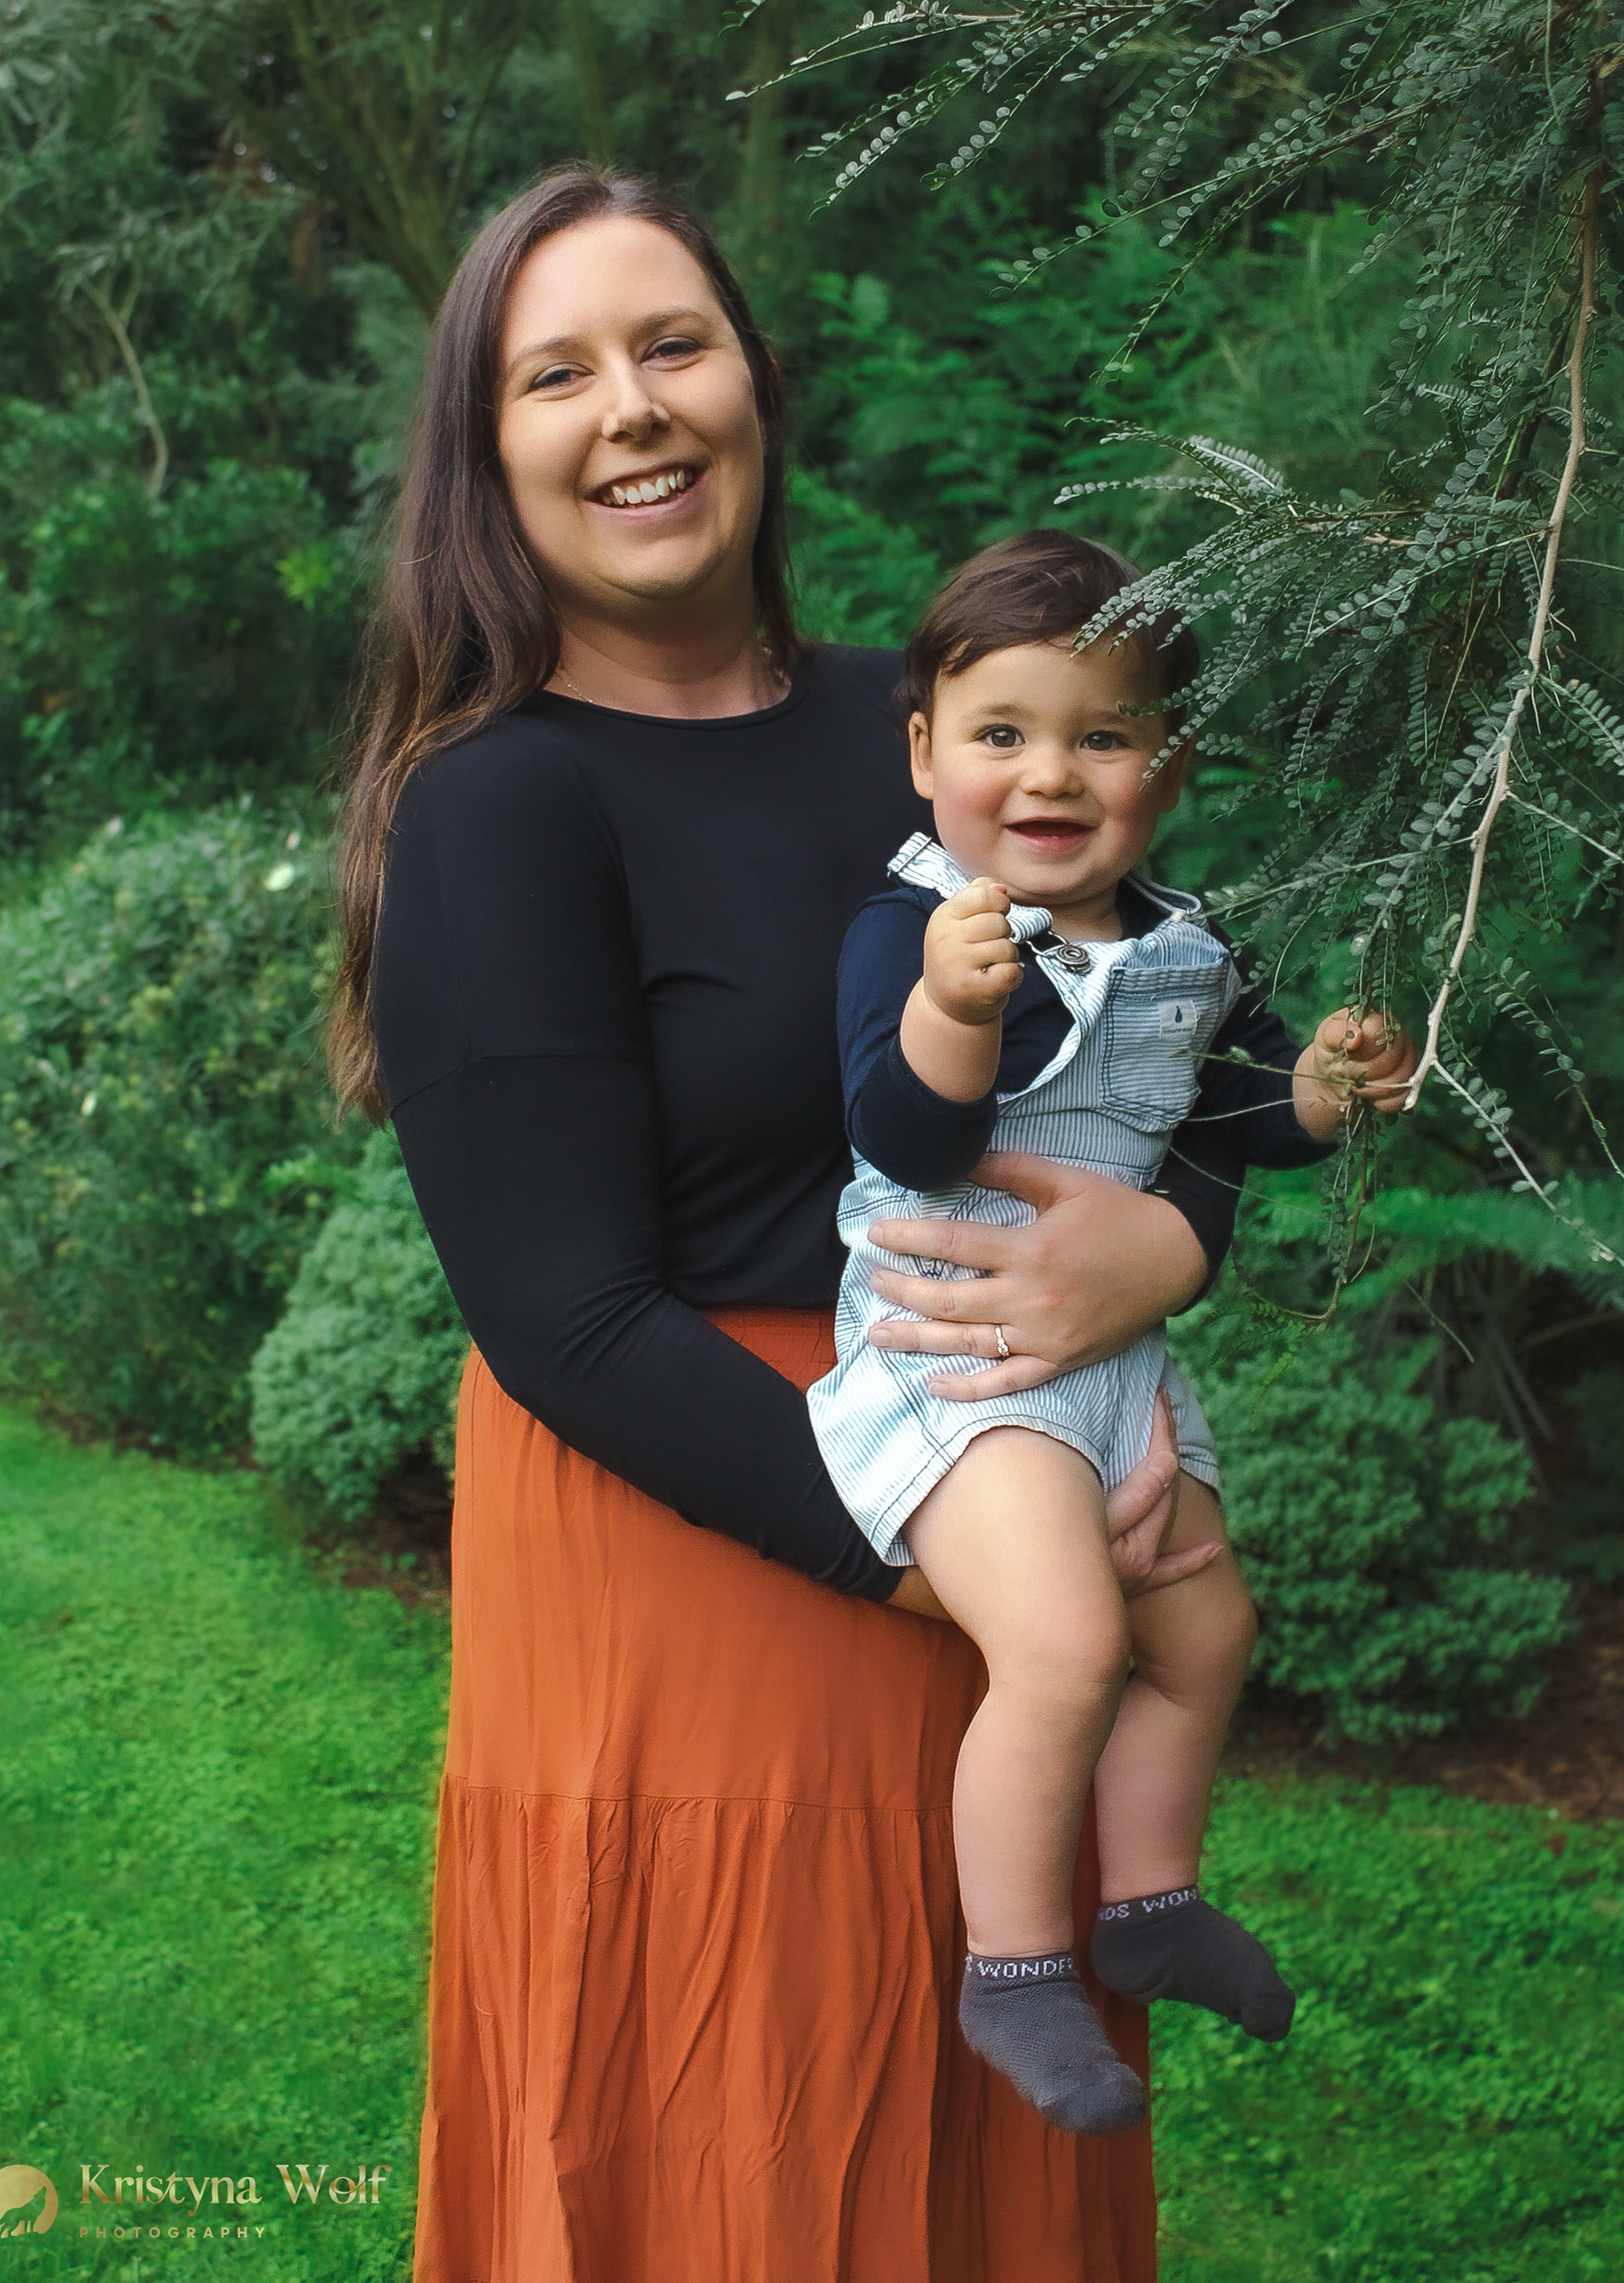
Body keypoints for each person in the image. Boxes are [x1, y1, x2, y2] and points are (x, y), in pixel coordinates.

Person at [331, 162, 1317, 2283]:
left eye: (673, 344)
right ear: (485, 456)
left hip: (1013, 1500)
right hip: (723, 1543)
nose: (632, 408)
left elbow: (1166, 1030)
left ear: (754, 382)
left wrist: (1169, 1252)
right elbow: (567, 1319)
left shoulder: (947, 733)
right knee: (747, 2161)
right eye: (557, 374)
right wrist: (955, 1564)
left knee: (993, 2145)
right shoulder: (500, 805)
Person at [809, 531, 1417, 2136]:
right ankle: (1013, 1971)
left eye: (1104, 735)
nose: (1049, 773)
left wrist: (1325, 1087)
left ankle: (1148, 1903)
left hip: (1116, 1362)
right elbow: (901, 1131)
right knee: (1070, 1644)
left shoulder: (1193, 949)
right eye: (1002, 733)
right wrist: (953, 1009)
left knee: (1205, 1633)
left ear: (1173, 765)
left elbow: (1238, 1121)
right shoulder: (915, 929)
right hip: (957, 1357)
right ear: (926, 751)